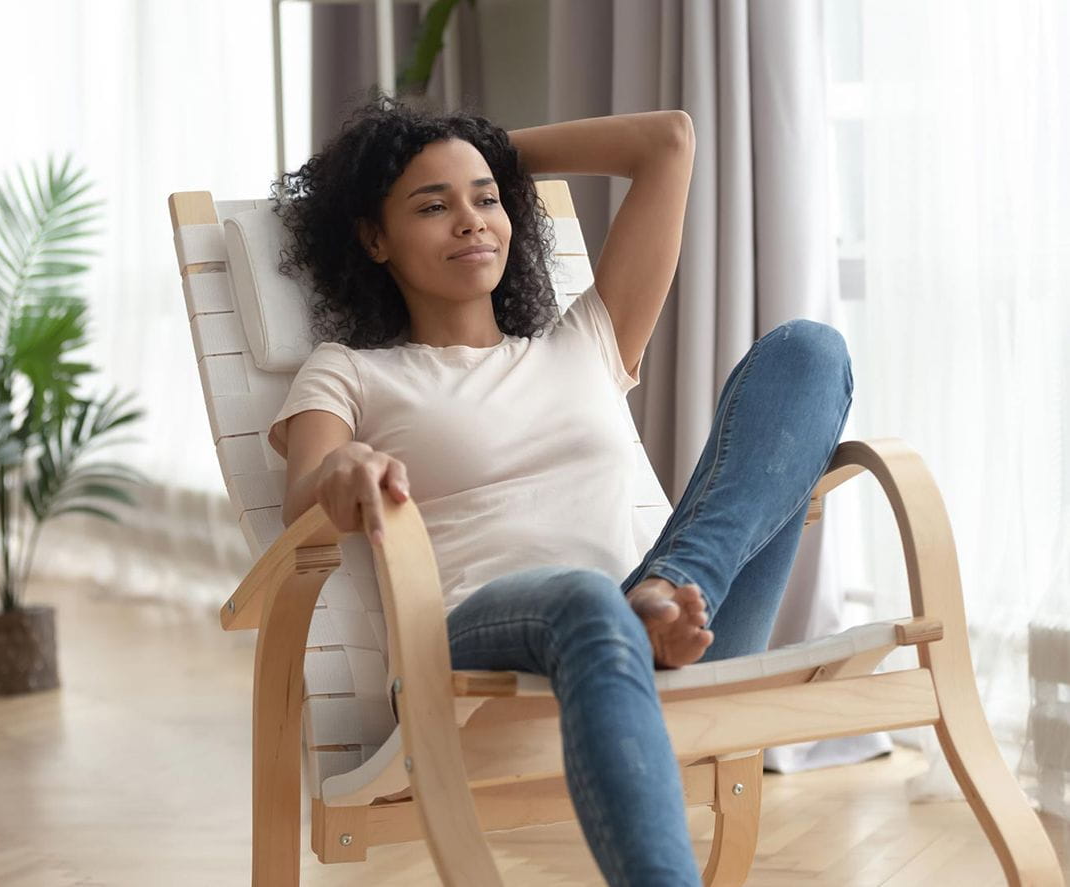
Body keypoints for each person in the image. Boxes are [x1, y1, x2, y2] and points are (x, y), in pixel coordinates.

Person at [267, 92, 853, 887]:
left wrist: (472, 147)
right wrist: (339, 472)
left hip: (668, 631)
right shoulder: (353, 370)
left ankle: (668, 586)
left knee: (809, 351)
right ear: (374, 237)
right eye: (432, 206)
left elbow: (667, 141)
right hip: (472, 646)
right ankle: (644, 604)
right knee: (586, 596)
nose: (472, 220)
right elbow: (304, 491)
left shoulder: (584, 341)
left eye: (487, 199)